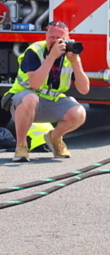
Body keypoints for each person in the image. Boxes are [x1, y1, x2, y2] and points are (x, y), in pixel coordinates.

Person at [5, 21, 89, 161]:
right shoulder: (35, 50)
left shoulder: (70, 55)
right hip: (22, 100)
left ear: (67, 38)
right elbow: (35, 84)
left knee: (79, 114)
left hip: (51, 100)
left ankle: (54, 138)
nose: (55, 41)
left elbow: (84, 89)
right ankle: (21, 145)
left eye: (59, 38)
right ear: (46, 36)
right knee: (31, 98)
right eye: (51, 37)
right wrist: (51, 57)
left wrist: (76, 62)